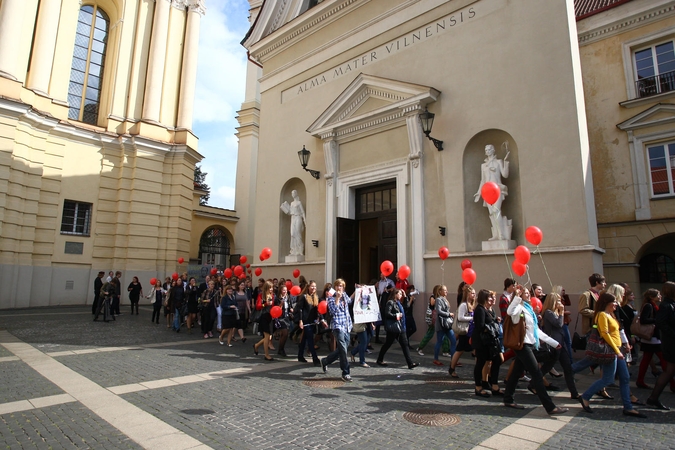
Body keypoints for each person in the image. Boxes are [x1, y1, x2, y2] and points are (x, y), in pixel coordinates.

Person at [575, 292, 646, 418]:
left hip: (617, 349)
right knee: (607, 379)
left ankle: (628, 407)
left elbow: (617, 332)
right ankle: (585, 396)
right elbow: (605, 334)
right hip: (611, 350)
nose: (616, 304)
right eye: (614, 302)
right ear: (606, 303)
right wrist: (617, 351)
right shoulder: (602, 315)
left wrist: (624, 345)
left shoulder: (610, 314)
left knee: (625, 378)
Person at [503, 285, 568, 415]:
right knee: (537, 374)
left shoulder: (529, 310)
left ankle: (508, 398)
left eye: (528, 292)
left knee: (516, 372)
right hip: (522, 345)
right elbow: (510, 312)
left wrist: (554, 343)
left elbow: (536, 331)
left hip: (530, 344)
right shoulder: (518, 308)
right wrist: (516, 297)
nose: (528, 294)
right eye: (525, 293)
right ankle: (550, 407)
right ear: (519, 295)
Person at [541, 293, 580, 399]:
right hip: (554, 344)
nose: (561, 302)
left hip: (561, 343)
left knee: (568, 367)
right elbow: (558, 324)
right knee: (547, 366)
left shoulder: (555, 312)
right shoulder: (548, 313)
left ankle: (574, 392)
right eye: (558, 300)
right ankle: (532, 383)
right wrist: (562, 312)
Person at [636, 288, 673, 390]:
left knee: (646, 359)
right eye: (658, 295)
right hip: (652, 338)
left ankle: (640, 380)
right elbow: (644, 320)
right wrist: (657, 320)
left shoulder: (651, 305)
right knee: (664, 360)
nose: (660, 296)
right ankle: (672, 384)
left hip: (651, 338)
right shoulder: (649, 306)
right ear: (652, 297)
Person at [473, 143, 511, 241]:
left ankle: (501, 234)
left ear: (493, 150)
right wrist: (479, 192)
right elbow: (482, 180)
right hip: (487, 191)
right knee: (491, 214)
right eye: (486, 150)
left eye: (489, 149)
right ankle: (496, 235)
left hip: (497, 189)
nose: (487, 151)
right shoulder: (483, 165)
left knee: (496, 211)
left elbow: (505, 175)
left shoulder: (498, 162)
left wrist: (506, 161)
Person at [646, 281, 675, 410]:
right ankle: (653, 398)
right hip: (671, 343)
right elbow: (661, 323)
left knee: (669, 371)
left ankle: (653, 398)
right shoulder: (666, 305)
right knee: (669, 371)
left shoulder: (670, 304)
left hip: (671, 342)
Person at [320, 278, 354, 382]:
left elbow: (350, 301)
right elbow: (333, 311)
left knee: (342, 349)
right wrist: (337, 299)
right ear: (335, 287)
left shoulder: (344, 296)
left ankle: (325, 361)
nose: (339, 288)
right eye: (338, 286)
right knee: (343, 349)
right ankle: (346, 372)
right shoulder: (331, 298)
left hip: (347, 325)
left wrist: (357, 291)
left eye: (341, 286)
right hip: (337, 326)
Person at [376, 289, 418, 369]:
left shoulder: (398, 303)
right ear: (395, 294)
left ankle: (410, 363)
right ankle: (379, 359)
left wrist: (405, 297)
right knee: (388, 344)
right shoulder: (390, 302)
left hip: (401, 327)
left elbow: (406, 307)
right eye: (400, 294)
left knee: (405, 345)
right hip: (394, 327)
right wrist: (396, 316)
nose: (401, 295)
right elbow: (387, 314)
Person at [473, 289, 503, 397]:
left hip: (490, 342)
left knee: (497, 360)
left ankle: (494, 385)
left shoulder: (487, 309)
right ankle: (478, 387)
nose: (491, 299)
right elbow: (480, 326)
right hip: (482, 342)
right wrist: (492, 327)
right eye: (489, 297)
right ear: (484, 298)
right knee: (480, 363)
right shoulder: (480, 309)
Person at [449, 284, 475, 378]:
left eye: (474, 293)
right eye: (472, 293)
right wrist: (471, 318)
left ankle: (479, 372)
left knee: (475, 350)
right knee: (460, 350)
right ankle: (451, 368)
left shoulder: (471, 304)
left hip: (471, 331)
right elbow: (460, 317)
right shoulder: (463, 305)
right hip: (465, 331)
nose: (474, 295)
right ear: (467, 294)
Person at [296, 281, 321, 365]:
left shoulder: (316, 297)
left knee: (304, 339)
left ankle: (300, 355)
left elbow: (317, 310)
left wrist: (318, 318)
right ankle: (315, 358)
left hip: (312, 321)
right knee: (310, 339)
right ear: (308, 287)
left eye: (315, 286)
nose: (314, 288)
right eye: (312, 286)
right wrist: (300, 321)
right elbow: (300, 309)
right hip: (305, 321)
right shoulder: (304, 296)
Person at [433, 285, 456, 366]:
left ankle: (454, 360)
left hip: (447, 324)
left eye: (446, 290)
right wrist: (449, 314)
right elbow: (439, 311)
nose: (447, 292)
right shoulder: (438, 300)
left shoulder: (445, 299)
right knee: (439, 341)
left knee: (453, 341)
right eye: (445, 290)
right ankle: (436, 359)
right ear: (440, 291)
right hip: (441, 324)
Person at [253, 281, 275, 361]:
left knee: (269, 337)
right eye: (270, 288)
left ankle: (256, 345)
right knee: (266, 336)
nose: (271, 289)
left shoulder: (272, 296)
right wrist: (265, 304)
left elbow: (272, 307)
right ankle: (266, 355)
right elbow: (258, 306)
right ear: (266, 288)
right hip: (263, 316)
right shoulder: (261, 295)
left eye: (272, 287)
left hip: (270, 317)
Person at [281, 189, 306, 256]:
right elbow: (290, 212)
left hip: (298, 217)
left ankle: (300, 250)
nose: (293, 194)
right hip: (293, 218)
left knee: (298, 234)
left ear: (296, 193)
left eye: (294, 193)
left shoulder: (299, 203)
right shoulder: (291, 203)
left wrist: (305, 221)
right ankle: (294, 250)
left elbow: (302, 212)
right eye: (292, 193)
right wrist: (285, 209)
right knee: (292, 234)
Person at [374, 273, 395, 343]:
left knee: (386, 320)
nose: (380, 276)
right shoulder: (379, 283)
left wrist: (387, 290)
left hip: (387, 302)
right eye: (380, 275)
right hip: (380, 302)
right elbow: (378, 293)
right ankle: (377, 338)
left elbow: (394, 289)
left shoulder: (390, 282)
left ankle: (388, 338)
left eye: (382, 275)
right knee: (378, 321)